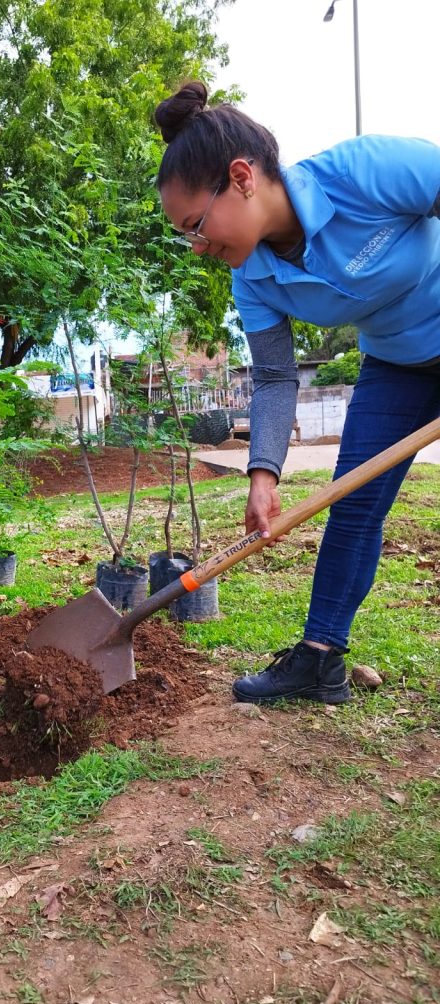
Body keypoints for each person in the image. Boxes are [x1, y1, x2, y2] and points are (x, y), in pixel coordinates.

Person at [154, 81, 440, 705]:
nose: (198, 247)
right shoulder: (252, 275)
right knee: (355, 502)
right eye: (187, 235)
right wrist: (263, 472)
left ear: (242, 177)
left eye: (197, 225)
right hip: (398, 365)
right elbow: (277, 376)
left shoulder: (364, 173)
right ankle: (319, 658)